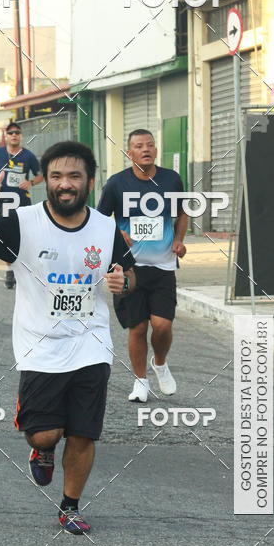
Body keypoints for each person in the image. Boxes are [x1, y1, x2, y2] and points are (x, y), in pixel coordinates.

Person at [0, 140, 136, 535]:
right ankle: (42, 447)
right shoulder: (23, 223)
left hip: (91, 343)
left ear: (89, 181)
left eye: (74, 176)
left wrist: (123, 282)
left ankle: (70, 506)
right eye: (56, 176)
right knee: (46, 432)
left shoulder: (106, 229)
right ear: (47, 182)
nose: (65, 184)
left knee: (85, 431)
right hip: (39, 346)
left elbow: (128, 274)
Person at [98, 129, 187, 402]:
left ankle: (159, 362)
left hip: (162, 266)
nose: (145, 149)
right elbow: (99, 220)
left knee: (162, 326)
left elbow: (182, 212)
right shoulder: (116, 184)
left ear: (156, 151)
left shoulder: (171, 180)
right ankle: (140, 382)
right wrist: (117, 233)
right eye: (139, 146)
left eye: (150, 145)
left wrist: (180, 241)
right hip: (130, 268)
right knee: (137, 328)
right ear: (129, 153)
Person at [0, 122, 43, 289]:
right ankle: (10, 270)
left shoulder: (28, 156)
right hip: (3, 199)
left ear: (21, 135)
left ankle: (22, 268)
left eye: (17, 132)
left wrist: (30, 182)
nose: (14, 135)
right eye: (11, 133)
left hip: (22, 200)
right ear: (6, 136)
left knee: (24, 235)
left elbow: (41, 176)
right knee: (6, 235)